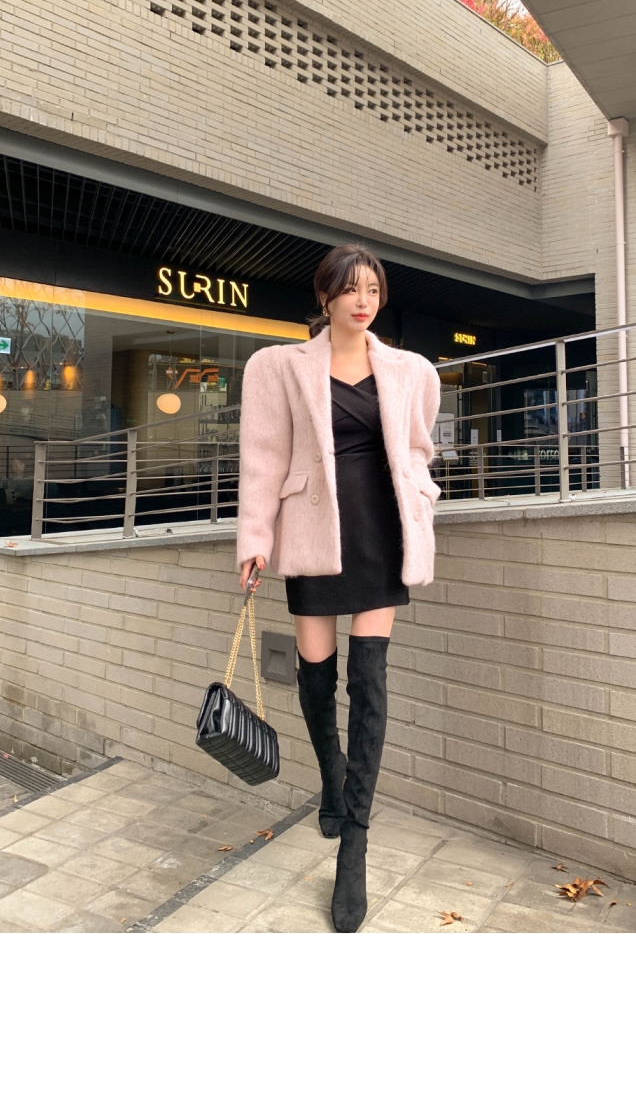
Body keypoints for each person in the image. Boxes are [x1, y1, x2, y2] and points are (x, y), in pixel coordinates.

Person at [237, 244, 441, 933]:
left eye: (373, 289)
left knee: (370, 678)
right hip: (313, 536)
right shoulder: (277, 366)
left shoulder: (411, 370)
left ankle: (355, 840)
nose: (363, 301)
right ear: (324, 296)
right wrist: (255, 538)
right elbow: (263, 459)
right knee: (316, 674)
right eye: (351, 289)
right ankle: (331, 770)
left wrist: (423, 497)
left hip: (382, 534)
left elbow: (417, 450)